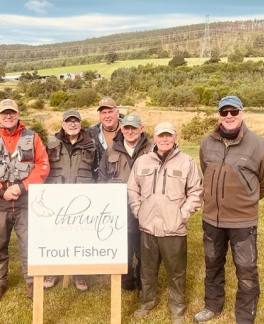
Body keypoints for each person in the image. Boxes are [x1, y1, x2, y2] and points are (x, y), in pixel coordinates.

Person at [194, 96, 264, 324]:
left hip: (243, 222)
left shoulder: (259, 145)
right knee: (212, 265)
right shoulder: (206, 143)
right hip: (212, 219)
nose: (229, 116)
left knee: (246, 269)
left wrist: (248, 199)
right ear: (219, 115)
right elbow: (205, 169)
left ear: (242, 113)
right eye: (224, 112)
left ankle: (244, 316)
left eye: (233, 112)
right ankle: (212, 305)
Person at [128, 122, 202, 324]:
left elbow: (196, 192)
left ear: (175, 138)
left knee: (176, 272)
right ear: (155, 137)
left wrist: (183, 215)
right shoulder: (142, 161)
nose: (165, 139)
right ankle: (147, 302)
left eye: (168, 136)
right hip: (147, 227)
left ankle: (177, 307)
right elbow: (132, 188)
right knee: (147, 270)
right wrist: (138, 210)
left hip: (174, 229)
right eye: (161, 136)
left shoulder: (186, 162)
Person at [0, 99, 49, 301]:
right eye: (4, 113)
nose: (8, 116)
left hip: (26, 202)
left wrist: (23, 186)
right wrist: (1, 190)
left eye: (12, 113)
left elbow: (43, 166)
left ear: (18, 114)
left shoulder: (32, 137)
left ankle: (33, 281)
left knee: (30, 243)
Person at [43, 109, 97, 291]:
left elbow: (98, 171)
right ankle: (52, 271)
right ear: (63, 123)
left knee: (80, 237)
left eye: (76, 121)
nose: (72, 124)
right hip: (56, 198)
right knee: (54, 237)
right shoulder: (50, 142)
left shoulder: (91, 144)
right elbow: (42, 168)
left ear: (80, 124)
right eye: (69, 121)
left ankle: (79, 274)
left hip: (82, 199)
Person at [98, 114, 152, 291]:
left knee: (144, 248)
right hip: (118, 209)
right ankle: (127, 280)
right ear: (122, 129)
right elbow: (102, 177)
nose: (130, 131)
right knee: (123, 247)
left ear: (141, 129)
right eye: (127, 128)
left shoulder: (151, 149)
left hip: (145, 207)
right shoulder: (112, 150)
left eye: (134, 128)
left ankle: (143, 280)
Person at [88, 96, 122, 166]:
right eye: (104, 112)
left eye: (110, 112)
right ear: (99, 115)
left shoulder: (129, 131)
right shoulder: (90, 133)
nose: (107, 116)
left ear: (117, 113)